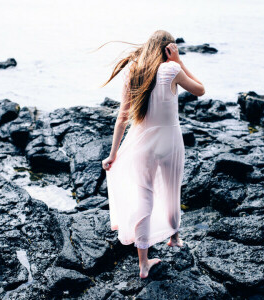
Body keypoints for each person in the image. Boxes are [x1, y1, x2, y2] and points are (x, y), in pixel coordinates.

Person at [100, 30, 205, 279]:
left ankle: (144, 263)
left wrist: (113, 154)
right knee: (172, 189)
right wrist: (179, 61)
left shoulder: (133, 72)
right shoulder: (172, 70)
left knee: (144, 200)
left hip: (142, 144)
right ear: (168, 49)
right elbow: (200, 90)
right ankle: (175, 238)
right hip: (169, 142)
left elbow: (122, 118)